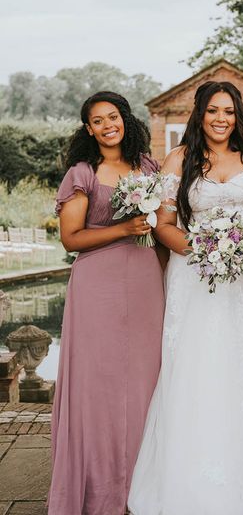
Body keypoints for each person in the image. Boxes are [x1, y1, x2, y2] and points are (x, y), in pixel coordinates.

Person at [128, 81, 243, 515]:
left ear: (237, 115)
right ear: (199, 115)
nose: (220, 119)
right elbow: (164, 225)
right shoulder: (179, 159)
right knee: (196, 365)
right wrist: (203, 250)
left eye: (228, 111)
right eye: (212, 111)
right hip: (194, 276)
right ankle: (189, 485)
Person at [48, 91, 165, 515]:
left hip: (146, 281)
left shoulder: (148, 167)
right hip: (97, 284)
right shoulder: (82, 173)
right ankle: (100, 488)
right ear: (89, 129)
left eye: (112, 117)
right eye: (97, 121)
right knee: (98, 384)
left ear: (124, 119)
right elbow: (71, 238)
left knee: (145, 379)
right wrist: (123, 228)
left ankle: (143, 482)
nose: (107, 125)